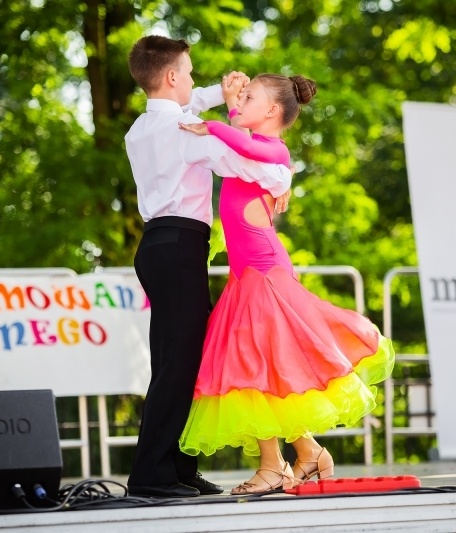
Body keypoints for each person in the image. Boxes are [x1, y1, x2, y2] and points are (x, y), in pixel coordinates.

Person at [177, 73, 395, 494]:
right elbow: (239, 138)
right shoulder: (253, 152)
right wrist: (229, 108)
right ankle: (304, 453)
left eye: (250, 97)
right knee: (258, 367)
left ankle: (276, 465)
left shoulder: (273, 150)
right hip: (248, 276)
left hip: (264, 273)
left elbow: (240, 141)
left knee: (255, 364)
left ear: (273, 111)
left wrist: (214, 123)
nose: (241, 102)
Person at [124, 36, 293, 498]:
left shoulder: (142, 126)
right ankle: (154, 473)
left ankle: (177, 467)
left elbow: (185, 101)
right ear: (173, 76)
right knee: (180, 363)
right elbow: (236, 158)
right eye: (190, 72)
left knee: (183, 358)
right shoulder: (185, 129)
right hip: (179, 246)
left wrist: (220, 93)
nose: (196, 81)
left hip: (160, 245)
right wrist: (280, 178)